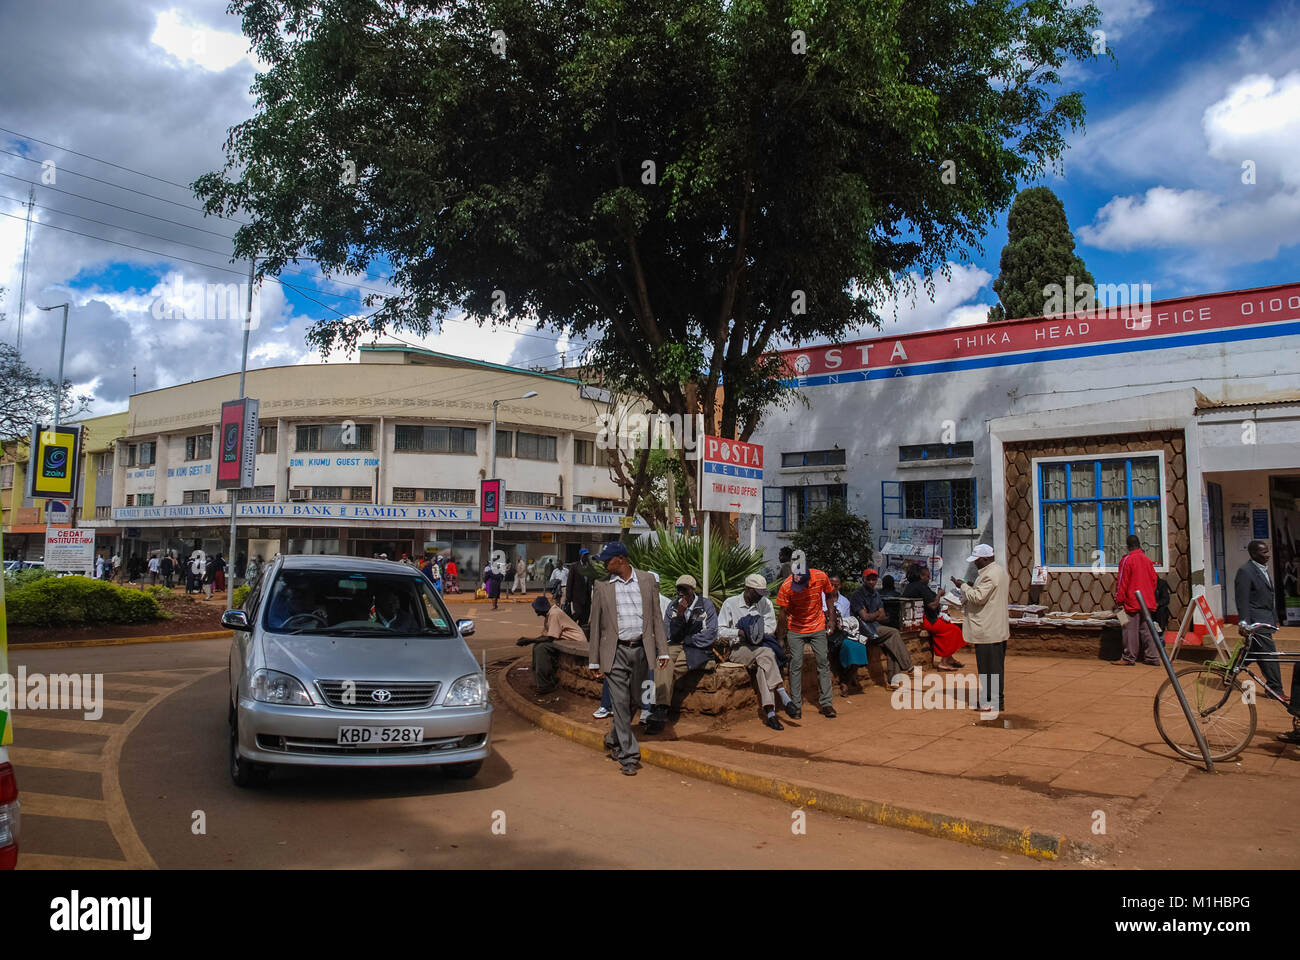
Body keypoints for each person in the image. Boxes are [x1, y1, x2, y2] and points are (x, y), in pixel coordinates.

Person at [587, 541, 670, 776]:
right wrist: (594, 660)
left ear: (621, 560)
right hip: (614, 652)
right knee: (620, 703)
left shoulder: (646, 581)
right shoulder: (602, 586)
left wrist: (662, 650)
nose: (604, 564)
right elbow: (596, 627)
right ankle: (630, 755)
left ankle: (614, 738)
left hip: (642, 650)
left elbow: (656, 618)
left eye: (608, 560)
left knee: (635, 699)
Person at [1235, 539, 1300, 743]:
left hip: (1266, 619)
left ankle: (1232, 671)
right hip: (1256, 621)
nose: (1267, 554)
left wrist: (1274, 619)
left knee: (1255, 653)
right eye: (1263, 552)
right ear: (1253, 553)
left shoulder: (1262, 568)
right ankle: (1276, 689)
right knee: (1269, 653)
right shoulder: (1245, 572)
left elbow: (1268, 595)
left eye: (1268, 551)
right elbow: (1242, 599)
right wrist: (1244, 622)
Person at [717, 574, 794, 729]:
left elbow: (771, 626)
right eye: (756, 594)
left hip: (759, 646)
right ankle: (783, 695)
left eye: (761, 594)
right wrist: (739, 633)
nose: (760, 598)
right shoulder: (730, 603)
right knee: (766, 653)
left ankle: (770, 713)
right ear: (747, 589)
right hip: (738, 648)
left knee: (762, 667)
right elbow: (719, 631)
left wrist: (754, 633)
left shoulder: (765, 603)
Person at [648, 574, 719, 733]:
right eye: (679, 589)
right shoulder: (673, 606)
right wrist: (680, 616)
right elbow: (668, 633)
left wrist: (690, 639)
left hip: (696, 646)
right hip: (676, 644)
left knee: (672, 670)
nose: (682, 593)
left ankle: (658, 708)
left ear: (693, 590)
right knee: (663, 663)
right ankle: (661, 710)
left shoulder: (705, 605)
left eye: (685, 590)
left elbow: (711, 632)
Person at [952, 544, 1010, 716]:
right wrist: (970, 585)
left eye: (977, 561)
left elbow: (977, 598)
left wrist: (962, 586)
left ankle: (992, 702)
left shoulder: (990, 575)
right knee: (994, 668)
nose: (975, 564)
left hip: (988, 630)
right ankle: (992, 699)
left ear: (985, 559)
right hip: (994, 629)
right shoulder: (998, 571)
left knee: (989, 668)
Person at [776, 566, 837, 719]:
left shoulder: (821, 577)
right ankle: (796, 704)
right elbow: (782, 613)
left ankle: (826, 703)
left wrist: (831, 619)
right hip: (796, 628)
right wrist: (780, 637)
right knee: (796, 663)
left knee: (823, 661)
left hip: (817, 625)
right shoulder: (786, 586)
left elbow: (829, 595)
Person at [852, 568, 917, 685]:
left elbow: (881, 616)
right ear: (864, 579)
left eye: (874, 579)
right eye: (869, 579)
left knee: (891, 642)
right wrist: (876, 614)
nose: (872, 582)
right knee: (894, 633)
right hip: (864, 629)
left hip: (875, 627)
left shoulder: (876, 594)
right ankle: (908, 666)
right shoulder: (858, 595)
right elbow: (866, 617)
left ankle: (894, 681)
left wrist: (874, 615)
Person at [900, 565, 965, 671]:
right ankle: (944, 662)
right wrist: (939, 594)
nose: (929, 578)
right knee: (953, 630)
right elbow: (932, 605)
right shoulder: (921, 586)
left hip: (919, 617)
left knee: (949, 626)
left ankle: (949, 658)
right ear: (921, 576)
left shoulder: (911, 586)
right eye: (927, 576)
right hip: (924, 619)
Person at [518, 594, 586, 694]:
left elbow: (550, 638)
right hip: (563, 640)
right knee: (537, 646)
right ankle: (539, 681)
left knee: (541, 649)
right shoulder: (549, 614)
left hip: (574, 641)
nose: (537, 613)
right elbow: (544, 636)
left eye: (537, 610)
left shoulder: (554, 614)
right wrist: (530, 640)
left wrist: (529, 640)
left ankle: (545, 685)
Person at [1113, 534, 1160, 666]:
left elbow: (1122, 582)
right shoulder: (1147, 560)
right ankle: (1152, 657)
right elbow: (1154, 580)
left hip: (1131, 602)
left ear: (1127, 546)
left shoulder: (1127, 560)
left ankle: (1129, 657)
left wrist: (1119, 600)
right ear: (1139, 545)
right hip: (1147, 601)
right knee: (1147, 629)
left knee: (1128, 629)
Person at [564, 548, 594, 627]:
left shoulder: (590, 567)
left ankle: (581, 631)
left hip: (587, 597)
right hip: (577, 597)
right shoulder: (574, 566)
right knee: (578, 613)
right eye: (584, 555)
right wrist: (568, 597)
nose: (586, 557)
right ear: (580, 556)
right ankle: (571, 627)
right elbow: (570, 582)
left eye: (587, 555)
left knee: (585, 616)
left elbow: (593, 580)